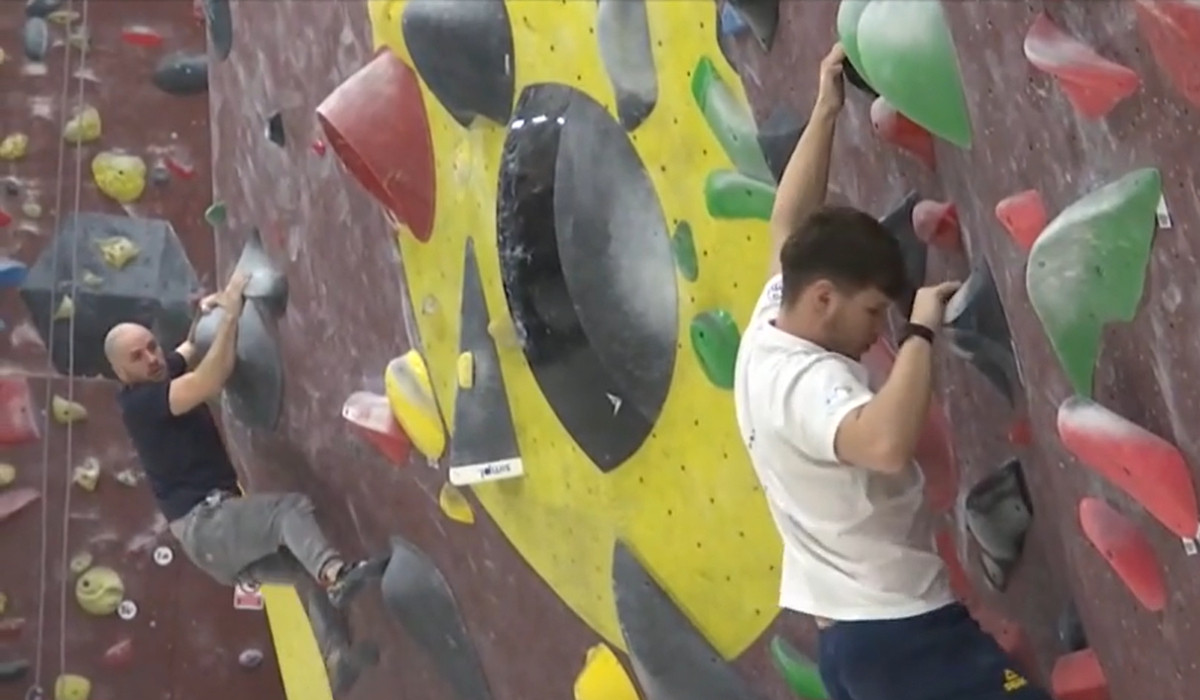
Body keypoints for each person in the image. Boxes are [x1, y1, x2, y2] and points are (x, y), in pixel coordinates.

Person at [732, 43, 1052, 700]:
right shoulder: (804, 386)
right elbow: (882, 443)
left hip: (863, 646)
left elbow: (788, 220)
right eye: (873, 311)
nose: (877, 328)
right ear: (824, 297)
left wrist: (827, 109)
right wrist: (920, 333)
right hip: (903, 639)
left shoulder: (773, 320)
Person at [106, 270, 379, 609]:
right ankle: (337, 576)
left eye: (152, 347)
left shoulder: (158, 374)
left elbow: (191, 346)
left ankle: (333, 633)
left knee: (305, 567)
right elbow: (209, 379)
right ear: (121, 372)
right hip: (208, 524)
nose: (151, 359)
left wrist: (205, 313)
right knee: (287, 512)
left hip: (209, 542)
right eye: (137, 357)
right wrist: (232, 313)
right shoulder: (141, 403)